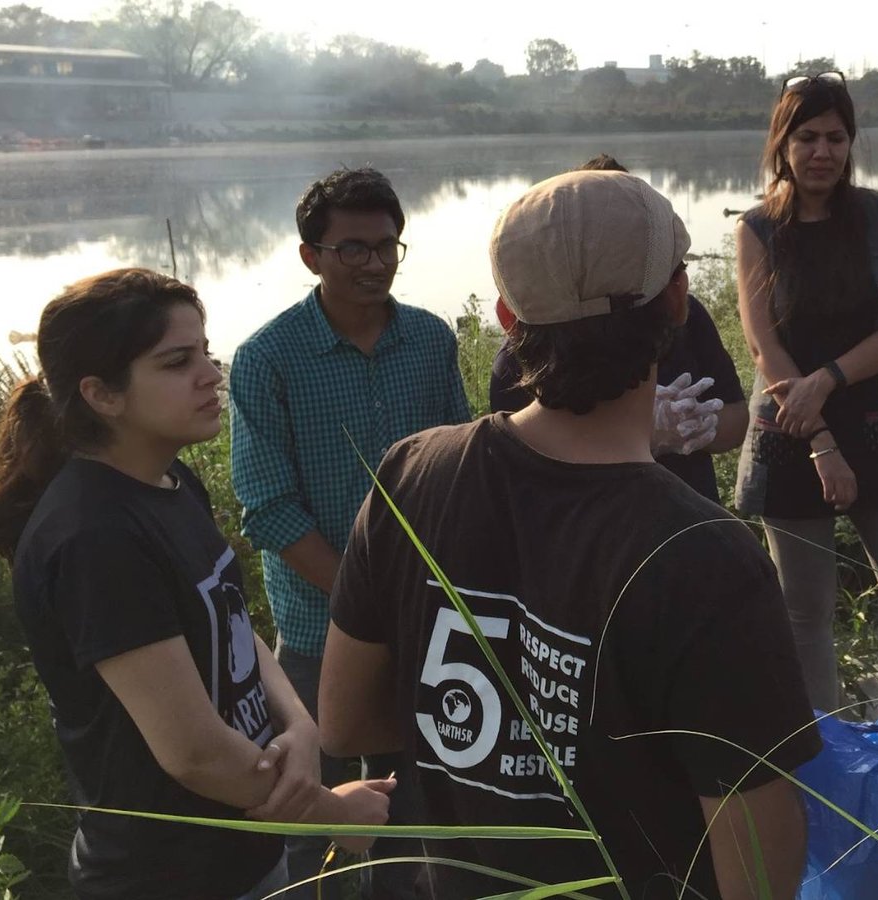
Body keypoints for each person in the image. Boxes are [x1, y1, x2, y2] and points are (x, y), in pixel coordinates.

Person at [319, 170, 820, 899]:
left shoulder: (413, 473)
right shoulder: (706, 556)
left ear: (506, 319)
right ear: (677, 302)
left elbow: (347, 722)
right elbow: (758, 875)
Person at [0, 269, 394, 900]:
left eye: (204, 351)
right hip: (167, 875)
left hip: (244, 852)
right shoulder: (95, 536)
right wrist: (329, 811)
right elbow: (192, 753)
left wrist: (301, 729)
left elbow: (233, 624)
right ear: (102, 395)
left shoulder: (170, 482)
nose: (211, 374)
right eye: (176, 362)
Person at [228, 167, 471, 896]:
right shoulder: (268, 357)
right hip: (315, 628)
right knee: (311, 809)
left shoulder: (429, 340)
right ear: (312, 257)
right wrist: (367, 598)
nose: (373, 264)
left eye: (387, 247)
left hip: (423, 623)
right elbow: (269, 508)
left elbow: (455, 468)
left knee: (409, 807)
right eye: (352, 249)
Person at [735, 70, 878, 712]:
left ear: (851, 143)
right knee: (804, 624)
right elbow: (764, 346)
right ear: (782, 145)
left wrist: (829, 378)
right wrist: (818, 436)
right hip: (791, 437)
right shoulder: (757, 230)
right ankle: (826, 766)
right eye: (806, 137)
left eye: (836, 138)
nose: (822, 152)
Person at [490, 153, 749, 503]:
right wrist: (642, 432)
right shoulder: (520, 357)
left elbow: (736, 417)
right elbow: (521, 470)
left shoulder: (688, 317)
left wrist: (697, 426)